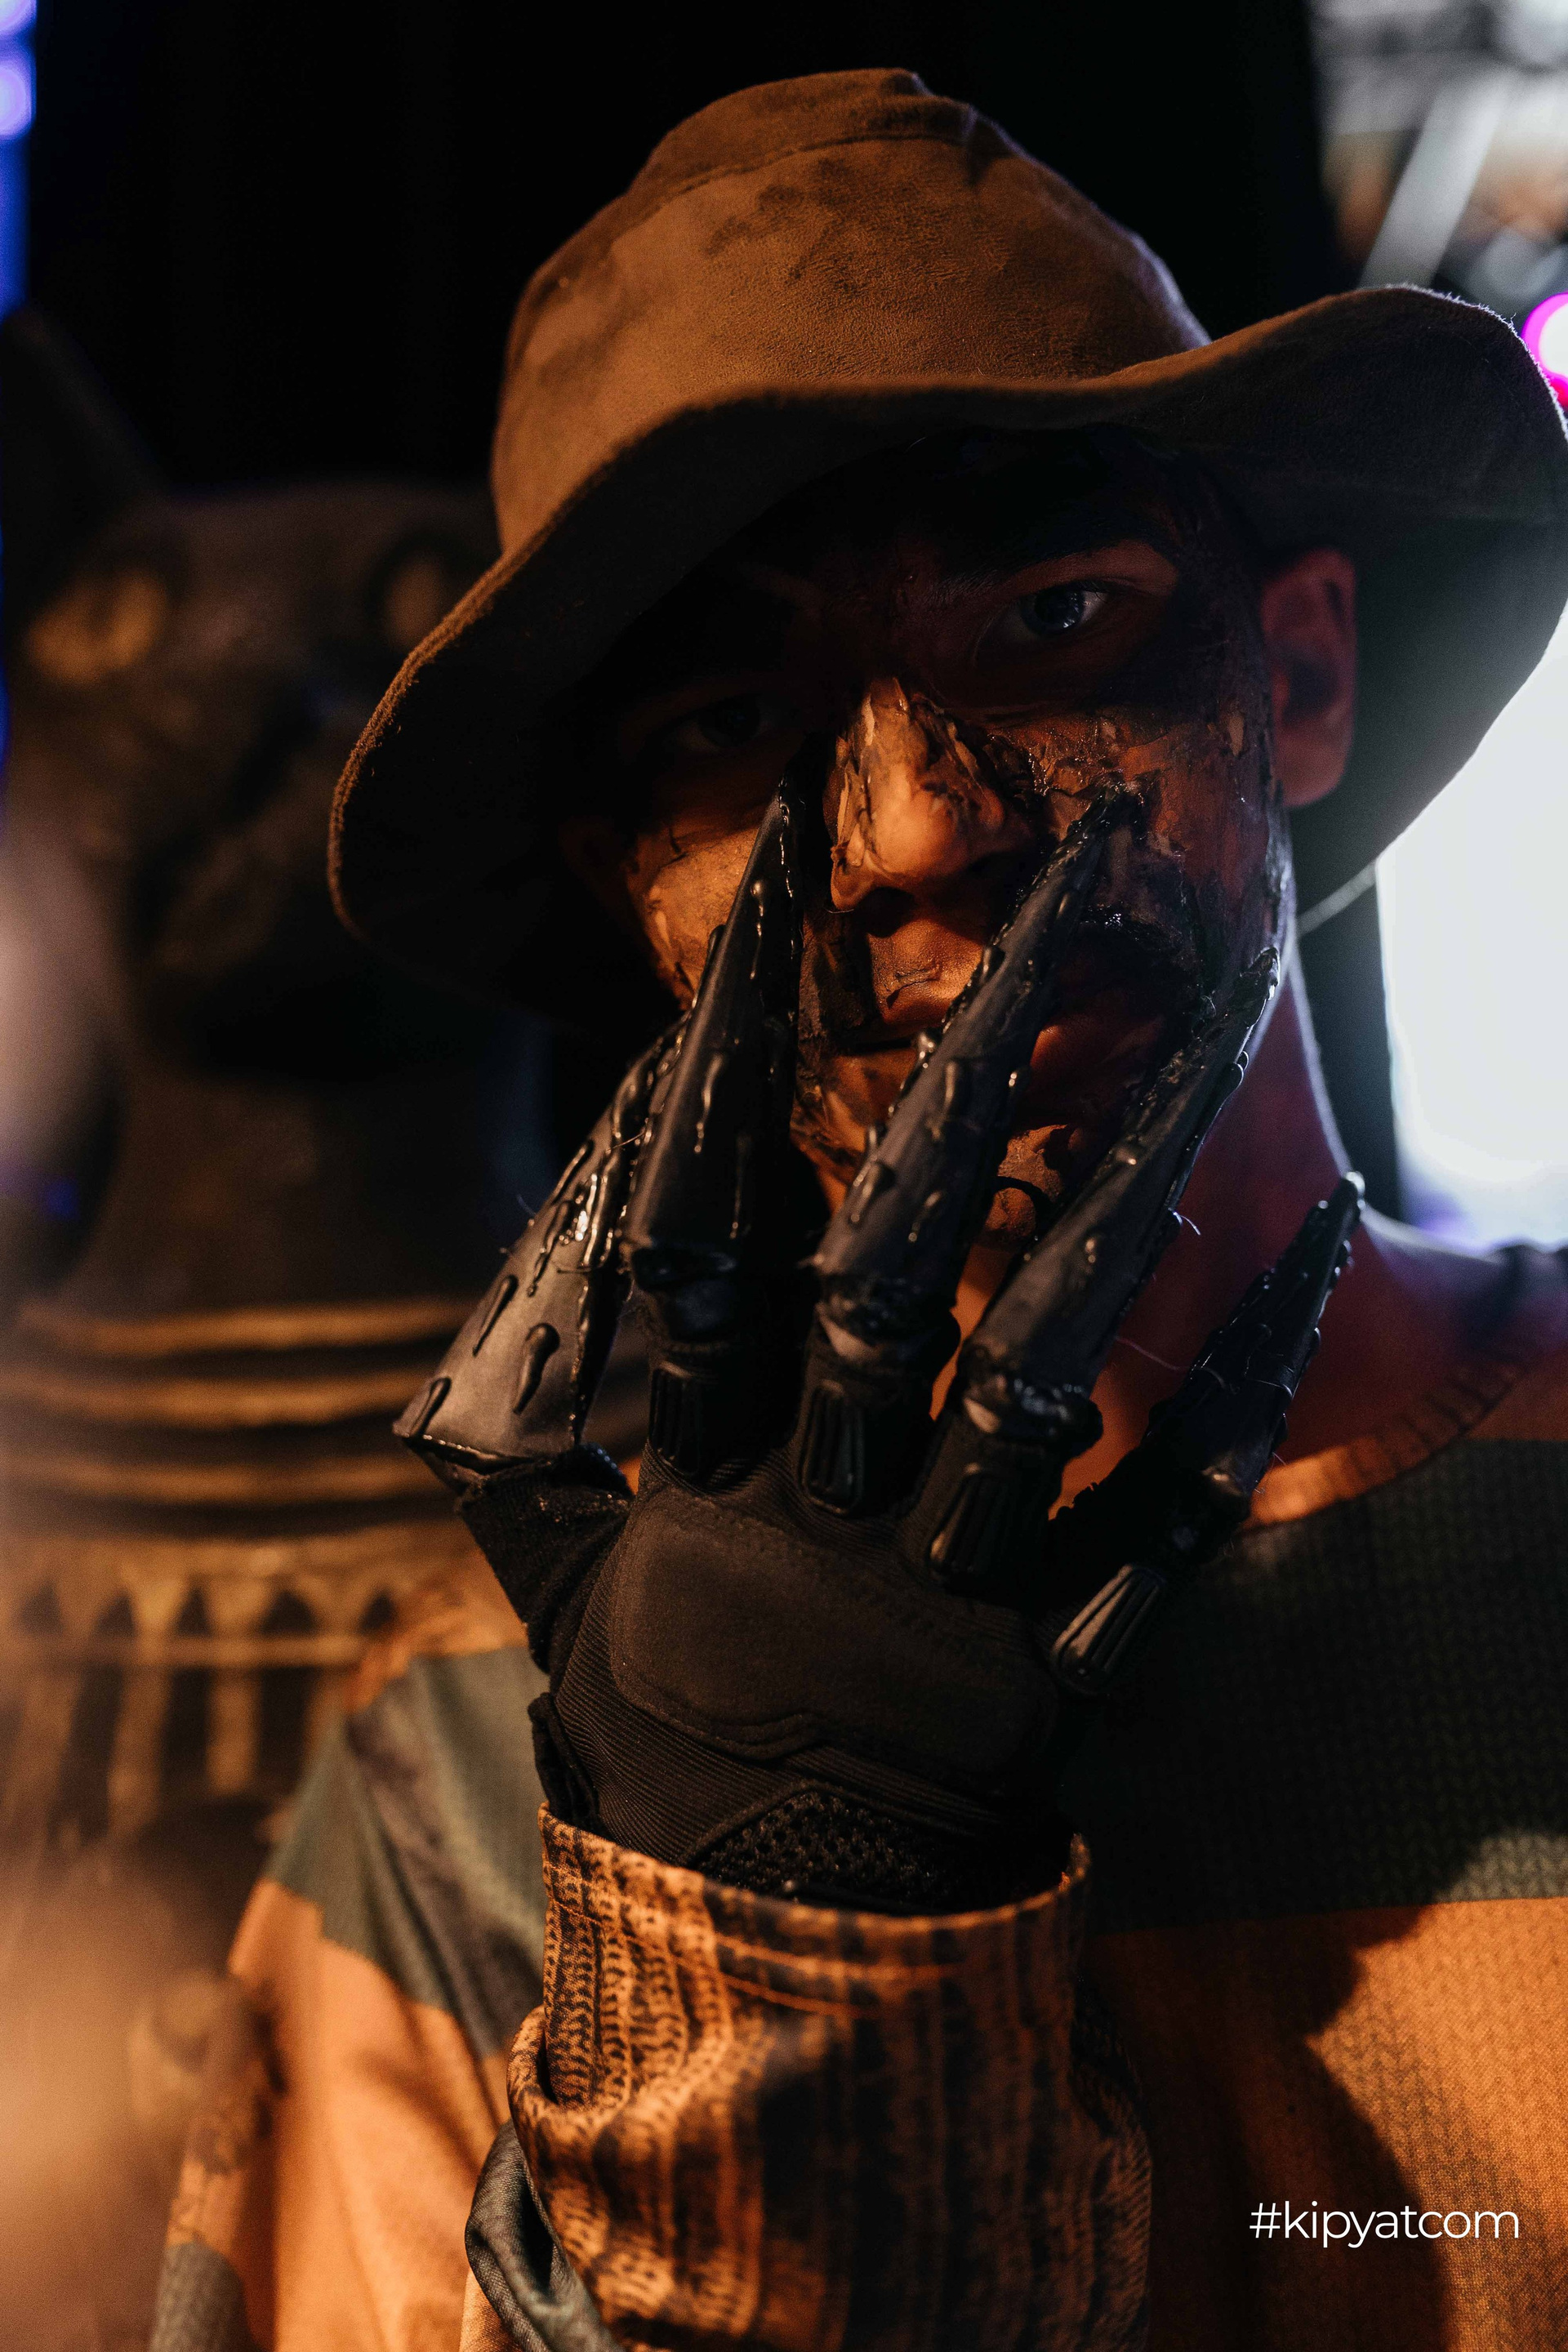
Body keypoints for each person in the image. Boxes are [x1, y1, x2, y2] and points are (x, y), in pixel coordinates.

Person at [154, 69, 1568, 2352]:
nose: (910, 833)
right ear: (629, 888)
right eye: (729, 728)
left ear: (1299, 672)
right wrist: (736, 1952)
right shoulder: (474, 1773)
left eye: (1059, 613)